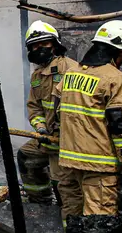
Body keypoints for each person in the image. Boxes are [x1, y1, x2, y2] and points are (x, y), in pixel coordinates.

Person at [55, 21, 122, 217]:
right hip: (99, 165)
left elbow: (59, 112)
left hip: (68, 161)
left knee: (72, 212)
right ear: (116, 50)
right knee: (99, 218)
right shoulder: (115, 79)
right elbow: (120, 124)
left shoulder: (71, 73)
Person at [17, 20, 81, 222]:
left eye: (43, 44)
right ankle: (41, 203)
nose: (39, 49)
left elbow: (78, 111)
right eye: (34, 46)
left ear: (55, 45)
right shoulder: (37, 76)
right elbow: (34, 107)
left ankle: (69, 221)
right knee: (26, 156)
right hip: (48, 138)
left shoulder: (71, 70)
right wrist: (41, 128)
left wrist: (61, 134)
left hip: (68, 141)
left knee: (63, 184)